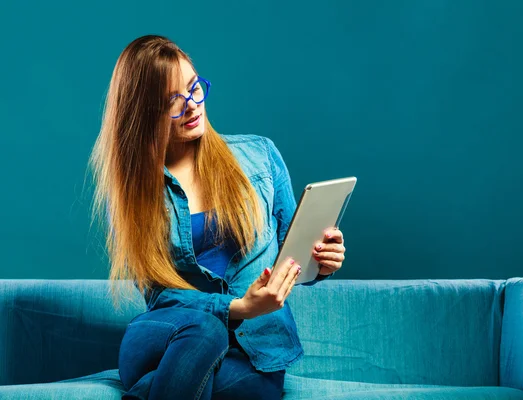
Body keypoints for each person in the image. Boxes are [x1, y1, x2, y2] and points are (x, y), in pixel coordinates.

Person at [88, 34, 347, 400]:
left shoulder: (260, 156)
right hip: (166, 338)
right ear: (144, 113)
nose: (192, 106)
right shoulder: (134, 195)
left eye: (194, 89)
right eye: (172, 103)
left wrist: (323, 261)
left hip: (254, 353)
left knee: (228, 387)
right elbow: (162, 297)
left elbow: (296, 254)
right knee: (205, 330)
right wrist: (238, 308)